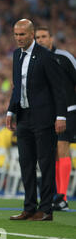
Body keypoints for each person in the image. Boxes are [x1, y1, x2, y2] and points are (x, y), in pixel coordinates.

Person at [7, 19, 67, 221]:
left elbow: (58, 89)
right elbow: (17, 87)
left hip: (43, 118)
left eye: (22, 34)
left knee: (46, 163)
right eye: (16, 34)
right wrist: (10, 111)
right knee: (26, 163)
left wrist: (61, 116)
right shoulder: (16, 55)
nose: (18, 38)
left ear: (32, 34)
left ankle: (46, 209)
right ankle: (29, 207)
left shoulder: (46, 57)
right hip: (23, 117)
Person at [35, 26, 76, 211]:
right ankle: (56, 195)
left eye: (44, 36)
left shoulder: (64, 57)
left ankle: (62, 197)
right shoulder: (35, 61)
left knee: (62, 147)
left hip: (68, 110)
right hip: (47, 114)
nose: (41, 40)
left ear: (51, 38)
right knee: (50, 153)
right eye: (37, 37)